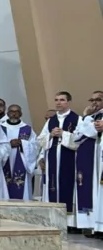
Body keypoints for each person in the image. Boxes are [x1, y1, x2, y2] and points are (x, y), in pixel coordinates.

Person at [38, 92, 87, 229]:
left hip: (70, 159)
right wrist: (50, 135)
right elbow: (40, 140)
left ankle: (70, 223)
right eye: (56, 100)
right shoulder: (51, 120)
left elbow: (81, 140)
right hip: (53, 159)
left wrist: (63, 134)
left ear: (68, 102)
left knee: (69, 187)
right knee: (53, 186)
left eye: (62, 100)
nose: (58, 103)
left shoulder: (77, 119)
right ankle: (54, 220)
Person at [74, 91, 103, 236]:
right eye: (92, 100)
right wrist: (86, 117)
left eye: (98, 99)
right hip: (93, 158)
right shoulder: (92, 117)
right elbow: (77, 135)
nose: (94, 103)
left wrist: (85, 119)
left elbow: (90, 132)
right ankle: (96, 227)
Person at [0, 105, 38, 200]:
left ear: (20, 114)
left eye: (16, 112)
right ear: (7, 114)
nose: (14, 114)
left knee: (22, 188)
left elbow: (36, 145)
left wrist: (23, 143)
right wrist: (9, 144)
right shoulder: (0, 128)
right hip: (4, 161)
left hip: (22, 161)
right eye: (11, 112)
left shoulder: (27, 129)